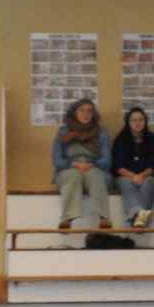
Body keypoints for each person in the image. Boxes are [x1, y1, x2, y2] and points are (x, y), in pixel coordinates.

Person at [52, 98, 112, 230]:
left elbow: (107, 161)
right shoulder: (63, 132)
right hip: (69, 168)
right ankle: (67, 218)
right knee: (73, 175)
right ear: (74, 112)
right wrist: (74, 164)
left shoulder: (101, 132)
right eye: (82, 110)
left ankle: (104, 217)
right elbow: (57, 161)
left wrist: (92, 164)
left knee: (96, 176)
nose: (86, 114)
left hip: (94, 167)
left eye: (89, 111)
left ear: (94, 114)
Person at [112, 106, 154, 228]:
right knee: (125, 183)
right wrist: (133, 176)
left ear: (145, 121)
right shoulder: (121, 139)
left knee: (150, 182)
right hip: (125, 176)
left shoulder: (152, 139)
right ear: (128, 122)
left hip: (146, 175)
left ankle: (137, 218)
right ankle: (141, 216)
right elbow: (118, 166)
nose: (137, 123)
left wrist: (141, 176)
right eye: (134, 120)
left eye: (141, 120)